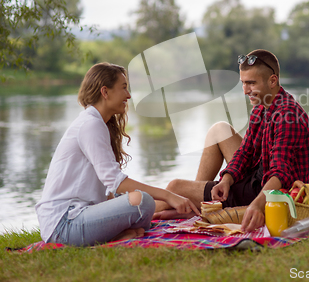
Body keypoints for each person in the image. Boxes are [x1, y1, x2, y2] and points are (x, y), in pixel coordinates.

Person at [35, 62, 199, 246]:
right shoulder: (90, 125)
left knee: (140, 200)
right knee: (142, 201)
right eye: (124, 88)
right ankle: (114, 235)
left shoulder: (97, 123)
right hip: (64, 224)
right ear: (105, 92)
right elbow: (116, 181)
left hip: (76, 217)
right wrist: (168, 195)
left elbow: (109, 190)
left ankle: (117, 234)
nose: (128, 95)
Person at [161, 49, 309, 233]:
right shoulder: (262, 105)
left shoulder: (287, 116)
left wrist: (256, 206)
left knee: (175, 187)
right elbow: (245, 151)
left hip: (275, 195)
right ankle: (197, 205)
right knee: (219, 129)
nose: (245, 90)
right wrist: (226, 179)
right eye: (243, 83)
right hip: (258, 176)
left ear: (272, 81)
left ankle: (143, 209)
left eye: (251, 83)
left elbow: (280, 174)